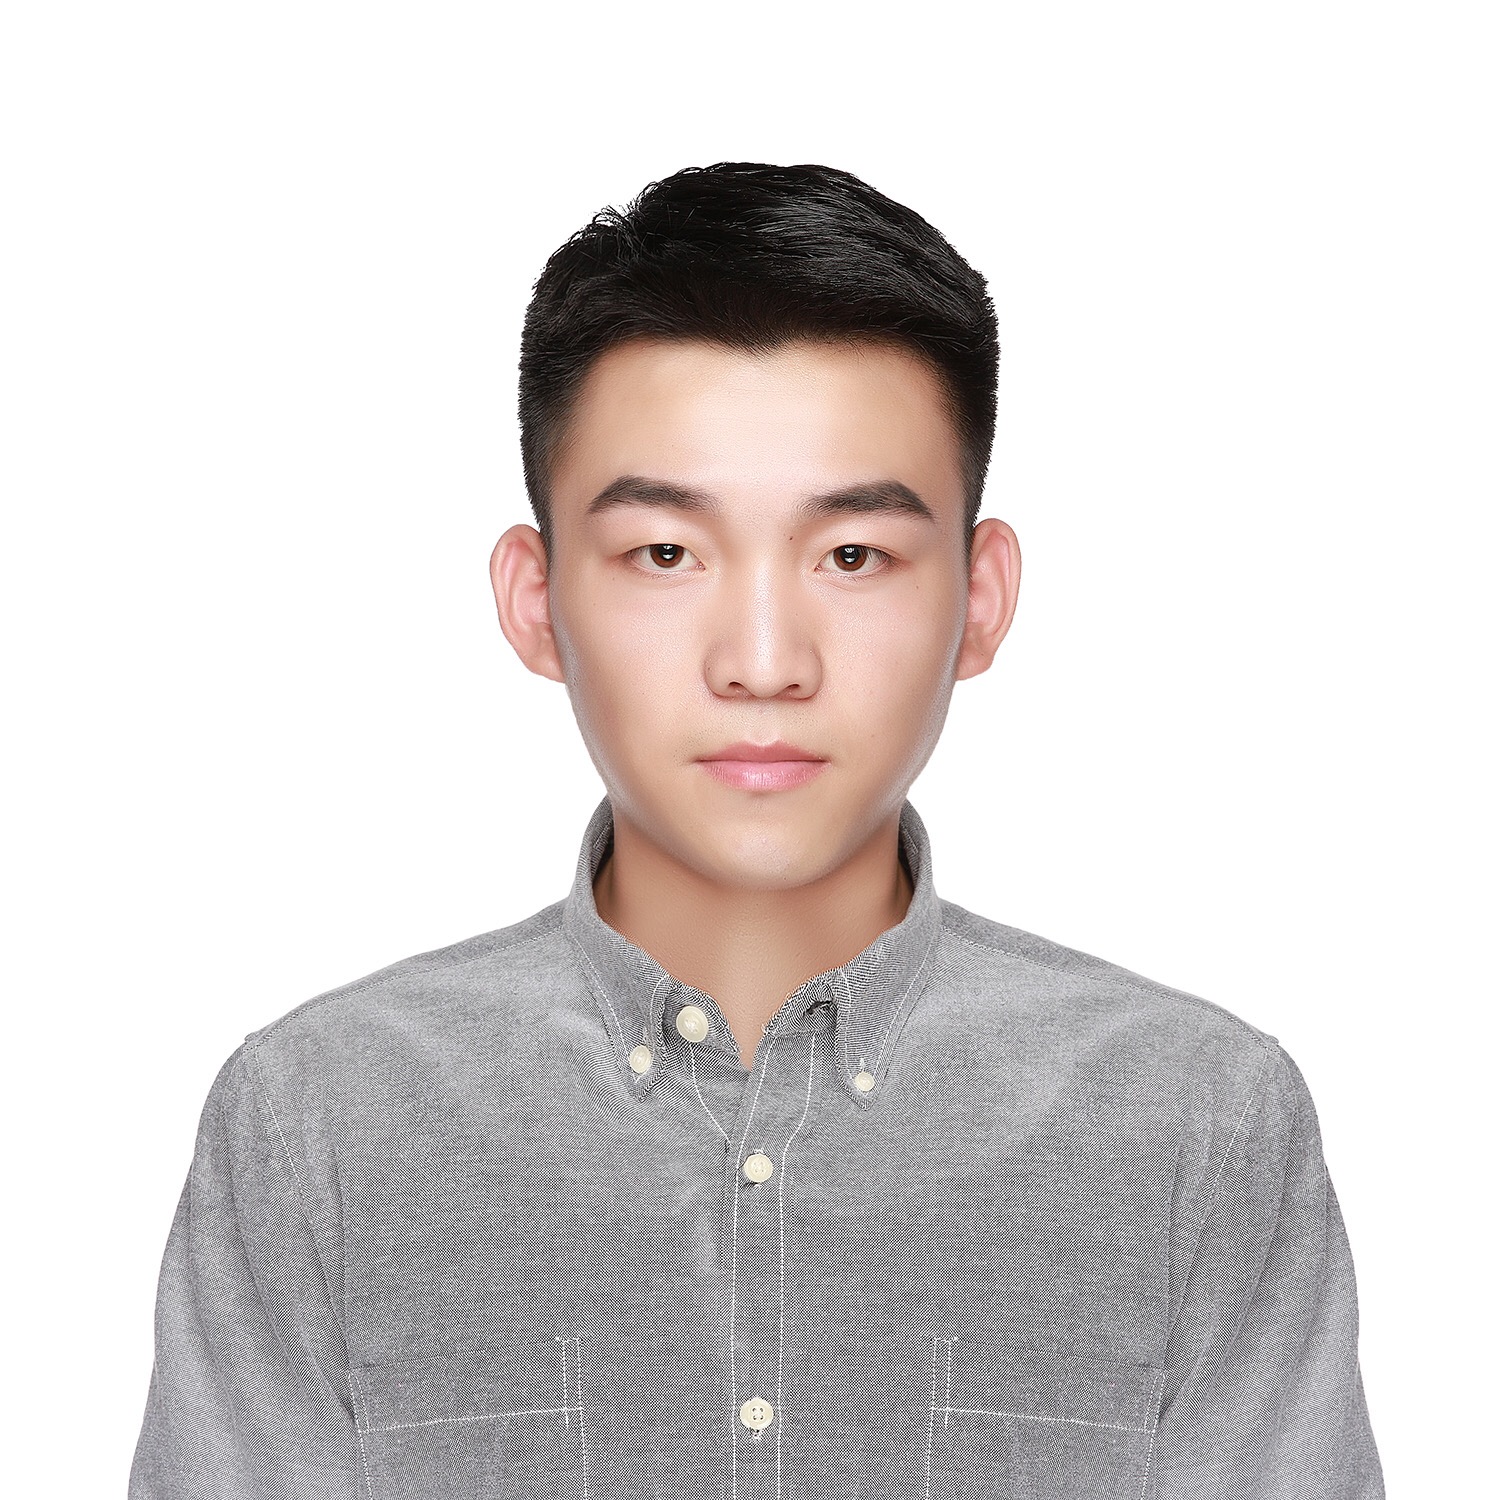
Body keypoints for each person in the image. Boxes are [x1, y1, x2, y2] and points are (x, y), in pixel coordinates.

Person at [129, 162, 1383, 1499]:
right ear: (535, 601)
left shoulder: (1197, 1128)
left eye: (853, 556)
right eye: (666, 553)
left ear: (980, 599)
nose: (766, 662)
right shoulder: (319, 1128)